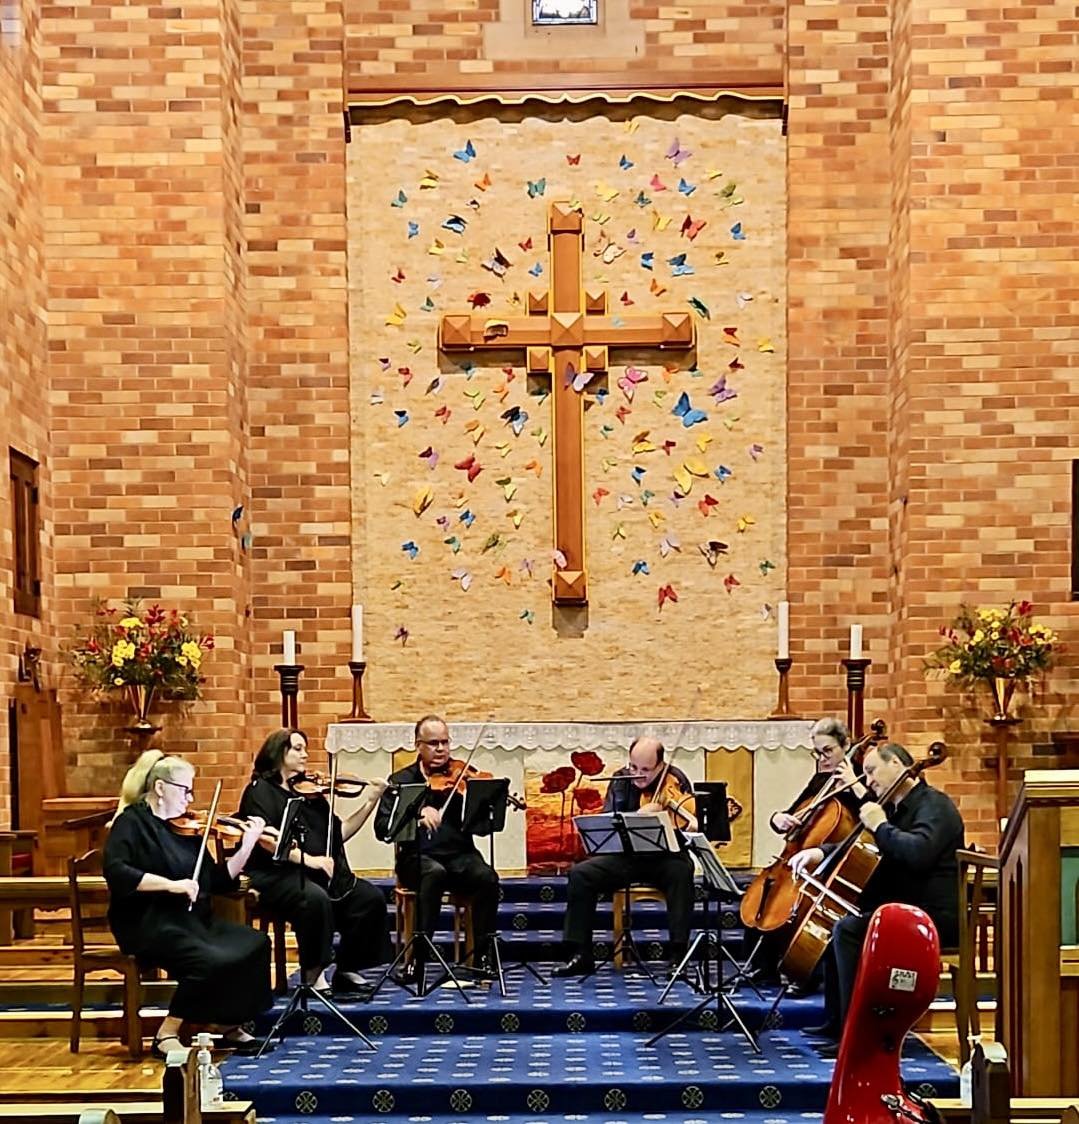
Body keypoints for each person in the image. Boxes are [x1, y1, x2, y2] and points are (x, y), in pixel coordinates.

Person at [788, 741, 965, 1043]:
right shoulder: (895, 808)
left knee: (849, 930)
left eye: (871, 771)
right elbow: (868, 846)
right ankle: (836, 1023)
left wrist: (881, 825)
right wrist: (820, 853)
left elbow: (917, 853)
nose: (867, 781)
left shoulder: (935, 806)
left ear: (896, 765)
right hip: (901, 908)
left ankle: (855, 1034)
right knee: (840, 921)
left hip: (929, 917)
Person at [103, 749, 273, 1058]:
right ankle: (167, 1032)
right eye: (185, 790)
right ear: (159, 788)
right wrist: (171, 885)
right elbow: (118, 872)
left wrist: (247, 845)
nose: (190, 799)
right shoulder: (132, 823)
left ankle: (228, 1023)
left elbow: (217, 880)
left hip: (190, 921)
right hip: (147, 922)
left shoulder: (185, 829)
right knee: (207, 960)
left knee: (255, 942)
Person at [238, 728, 389, 998]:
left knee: (368, 898)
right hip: (275, 873)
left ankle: (348, 968)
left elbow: (337, 835)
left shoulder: (311, 794)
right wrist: (312, 861)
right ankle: (313, 972)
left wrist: (370, 801)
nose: (305, 754)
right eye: (297, 748)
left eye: (305, 748)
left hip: (312, 873)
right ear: (277, 752)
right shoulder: (259, 792)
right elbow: (269, 842)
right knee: (315, 898)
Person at [551, 735, 697, 978]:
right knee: (581, 874)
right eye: (634, 767)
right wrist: (639, 818)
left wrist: (672, 823)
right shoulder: (620, 779)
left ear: (661, 765)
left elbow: (689, 827)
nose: (638, 775)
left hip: (667, 856)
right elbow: (609, 822)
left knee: (682, 873)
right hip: (627, 857)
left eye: (646, 770)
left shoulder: (677, 779)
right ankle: (580, 954)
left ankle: (678, 955)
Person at [374, 715, 500, 977]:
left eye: (445, 742)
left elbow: (480, 827)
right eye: (433, 743)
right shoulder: (401, 780)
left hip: (459, 855)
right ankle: (416, 960)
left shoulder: (464, 775)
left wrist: (484, 807)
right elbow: (382, 828)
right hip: (416, 858)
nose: (441, 749)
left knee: (487, 877)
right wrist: (417, 817)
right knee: (434, 874)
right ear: (418, 745)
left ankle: (483, 958)